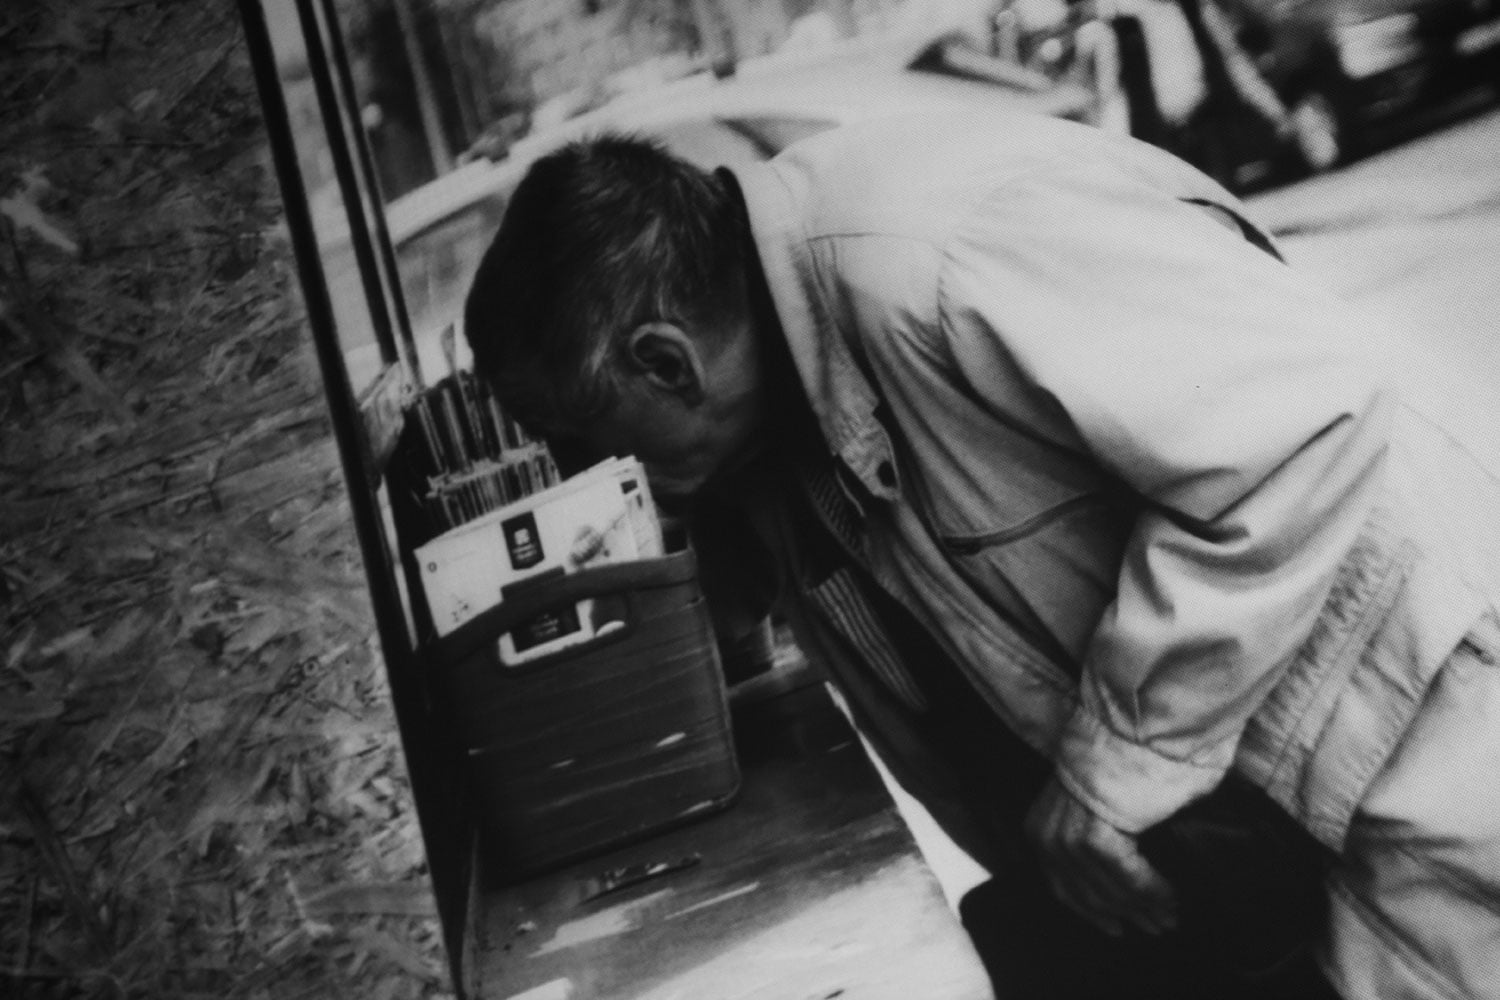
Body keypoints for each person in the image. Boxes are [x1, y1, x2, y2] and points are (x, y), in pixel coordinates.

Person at [462, 115, 1500, 999]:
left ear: (664, 360)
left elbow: (1299, 427)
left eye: (593, 441)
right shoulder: (760, 389)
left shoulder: (938, 258)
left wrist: (1117, 765)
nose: (609, 476)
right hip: (1254, 850)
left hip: (1402, 763)